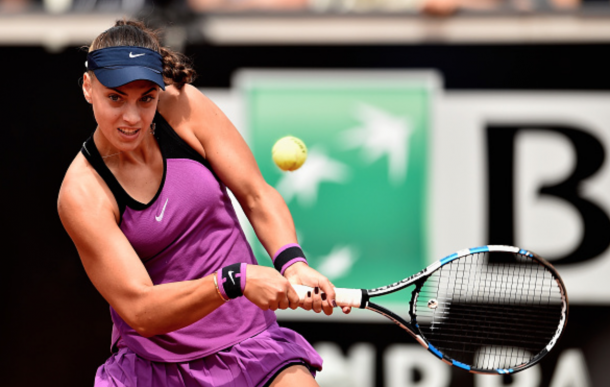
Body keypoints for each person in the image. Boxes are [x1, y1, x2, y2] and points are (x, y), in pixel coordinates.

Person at [57, 19, 350, 387]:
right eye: (115, 98)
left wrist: (293, 263)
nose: (131, 118)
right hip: (152, 369)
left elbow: (256, 194)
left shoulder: (182, 107)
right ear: (88, 87)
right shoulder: (82, 193)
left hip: (252, 346)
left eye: (146, 98)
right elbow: (140, 310)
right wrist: (232, 281)